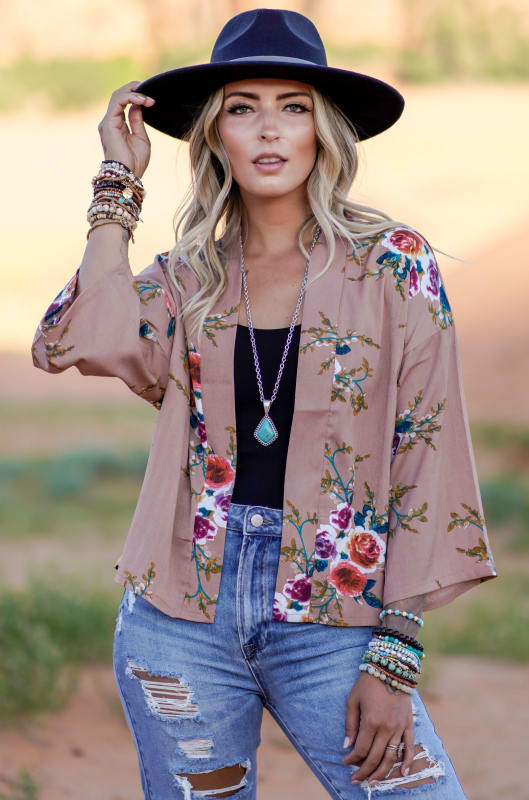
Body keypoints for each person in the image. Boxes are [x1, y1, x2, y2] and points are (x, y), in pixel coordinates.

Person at [31, 8, 498, 799]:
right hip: (178, 622)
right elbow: (71, 340)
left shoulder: (392, 266)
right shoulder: (186, 278)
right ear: (216, 135)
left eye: (293, 107)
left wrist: (397, 647)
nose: (270, 130)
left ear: (324, 131)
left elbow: (426, 449)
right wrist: (118, 184)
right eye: (243, 108)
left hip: (337, 618)